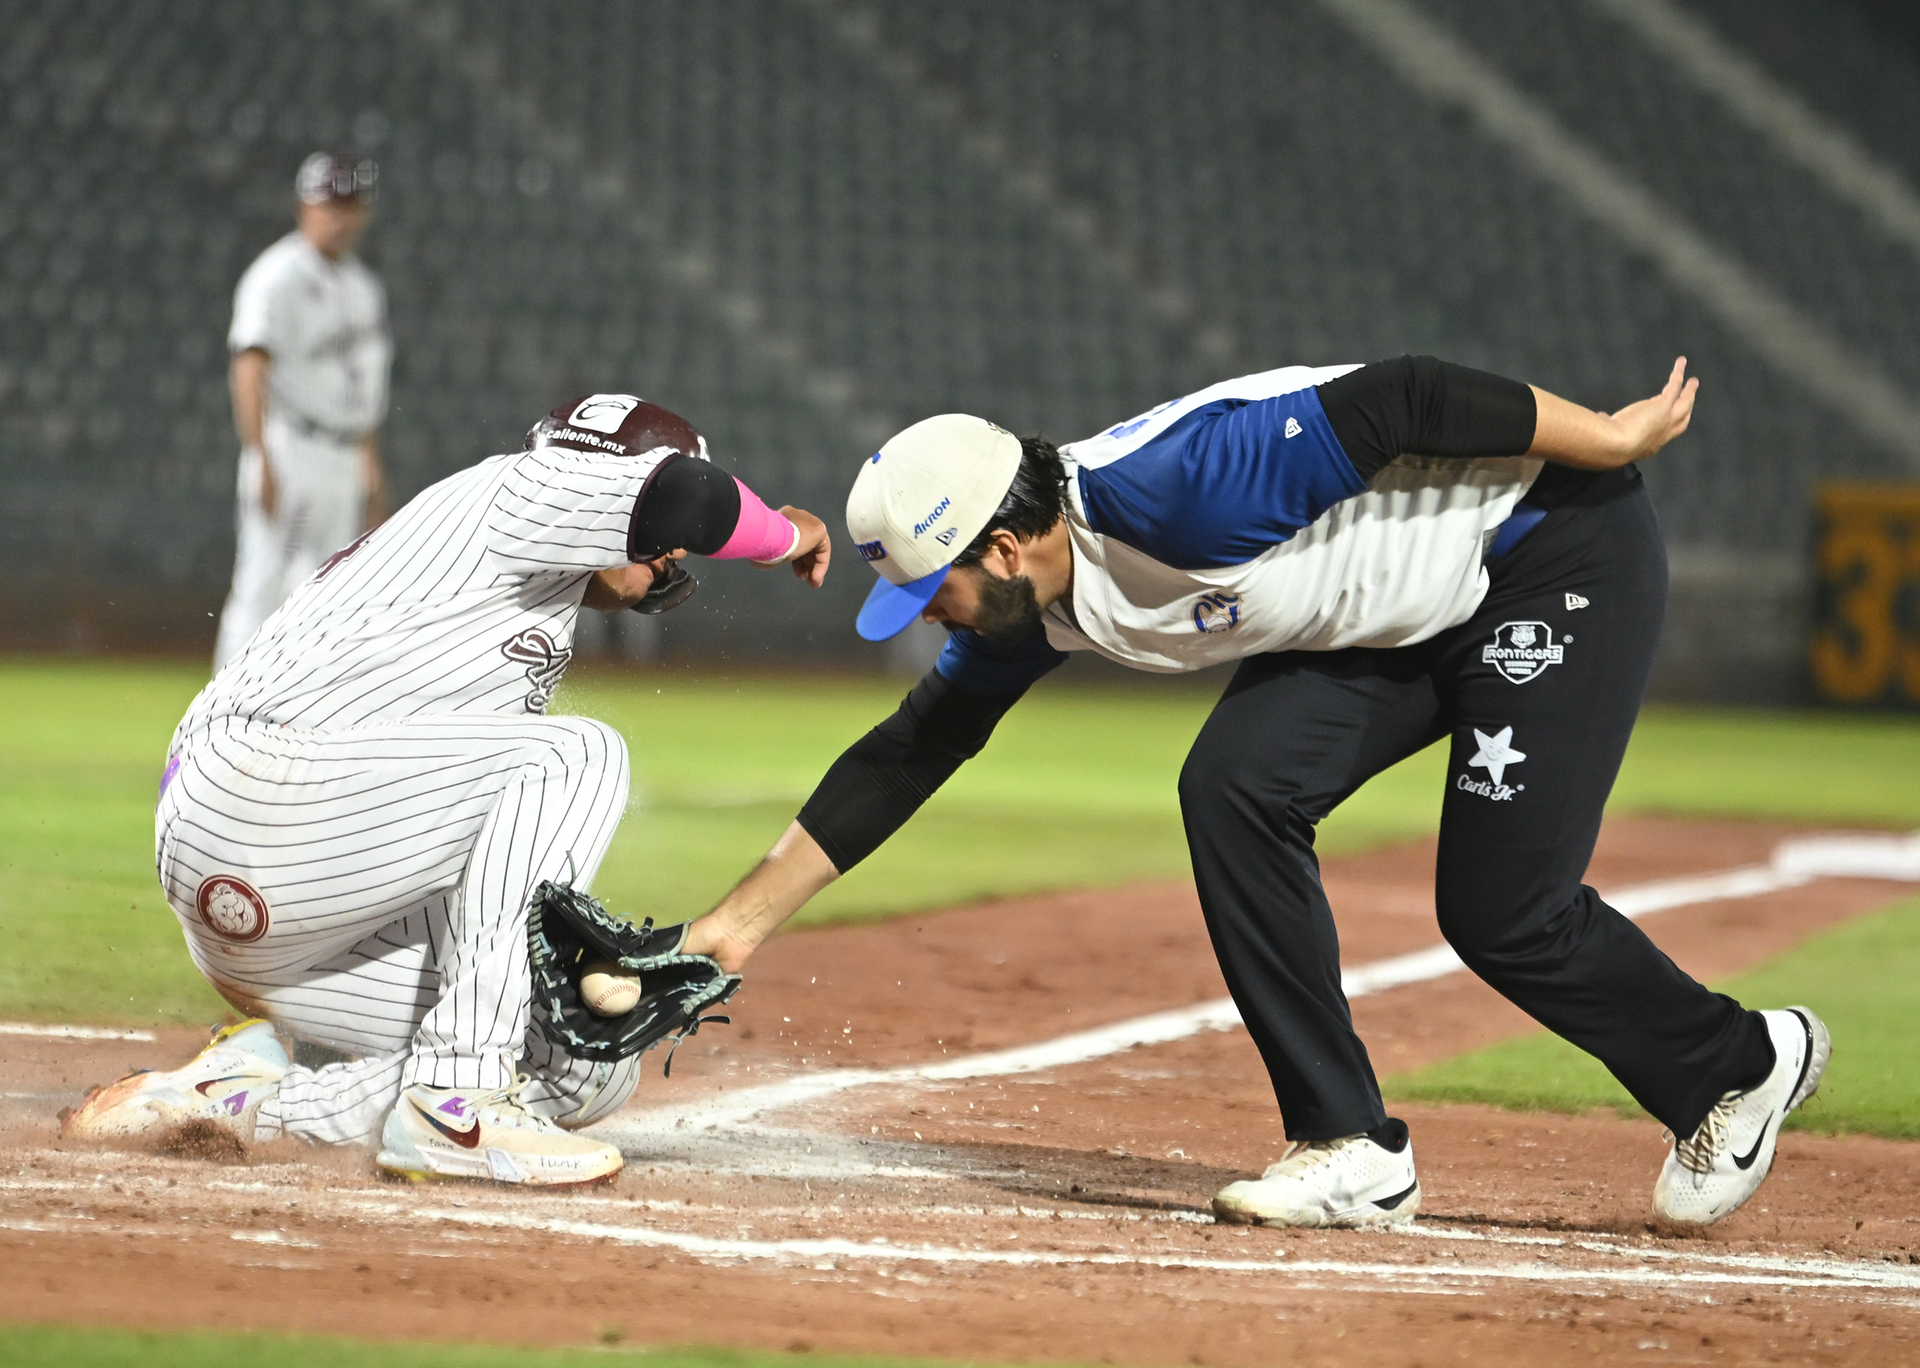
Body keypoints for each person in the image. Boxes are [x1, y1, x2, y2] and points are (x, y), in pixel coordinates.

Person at [682, 355, 1828, 1228]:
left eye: (931, 588)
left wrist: (1610, 435)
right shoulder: (1036, 592)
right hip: (1396, 616)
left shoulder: (1176, 493)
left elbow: (1404, 400)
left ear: (1001, 548)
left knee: (1503, 911)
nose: (924, 613)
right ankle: (1349, 1147)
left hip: (1541, 548)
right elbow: (911, 749)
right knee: (1233, 785)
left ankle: (1740, 1063)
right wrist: (728, 931)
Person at [62, 394, 830, 1187]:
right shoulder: (526, 488)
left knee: (587, 1068)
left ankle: (241, 1103)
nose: (671, 559)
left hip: (297, 913)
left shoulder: (535, 594)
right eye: (661, 543)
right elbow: (693, 499)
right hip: (251, 795)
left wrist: (561, 966)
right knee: (576, 754)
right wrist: (784, 532)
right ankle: (456, 1096)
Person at [213, 151, 392, 670]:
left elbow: (365, 390)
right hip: (289, 444)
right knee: (260, 586)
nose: (340, 216)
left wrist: (371, 468)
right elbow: (249, 368)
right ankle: (215, 726)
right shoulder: (276, 275)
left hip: (343, 454)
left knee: (325, 594)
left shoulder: (364, 287)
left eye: (351, 204)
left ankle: (294, 722)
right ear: (303, 206)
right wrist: (260, 455)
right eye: (330, 202)